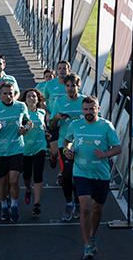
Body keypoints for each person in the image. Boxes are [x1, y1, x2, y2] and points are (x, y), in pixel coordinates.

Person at [63, 96, 121, 259]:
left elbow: (118, 148)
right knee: (85, 207)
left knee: (97, 209)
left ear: (98, 108)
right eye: (86, 109)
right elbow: (67, 141)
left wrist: (105, 154)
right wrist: (66, 151)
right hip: (81, 172)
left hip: (101, 174)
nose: (88, 112)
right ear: (82, 110)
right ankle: (87, 244)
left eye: (92, 109)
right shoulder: (75, 125)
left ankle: (92, 236)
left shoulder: (106, 126)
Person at [0, 82, 31, 222]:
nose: (8, 96)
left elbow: (28, 122)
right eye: (5, 93)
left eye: (10, 93)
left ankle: (14, 206)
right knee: (2, 183)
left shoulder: (21, 106)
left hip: (16, 148)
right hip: (0, 151)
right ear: (0, 95)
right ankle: (4, 206)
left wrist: (25, 129)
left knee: (14, 180)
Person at [49, 73, 87, 222]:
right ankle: (69, 203)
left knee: (78, 176)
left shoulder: (85, 101)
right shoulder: (59, 102)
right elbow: (51, 125)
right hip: (65, 144)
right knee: (66, 175)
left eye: (74, 85)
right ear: (64, 87)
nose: (71, 88)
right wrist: (57, 118)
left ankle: (77, 202)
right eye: (68, 85)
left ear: (79, 86)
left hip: (83, 145)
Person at [19, 88, 49, 217]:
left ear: (38, 99)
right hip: (25, 149)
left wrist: (46, 133)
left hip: (39, 147)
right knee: (26, 175)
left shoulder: (41, 112)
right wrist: (26, 128)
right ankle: (28, 188)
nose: (32, 98)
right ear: (25, 100)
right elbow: (19, 132)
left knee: (38, 175)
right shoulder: (21, 113)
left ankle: (37, 204)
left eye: (34, 96)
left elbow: (44, 128)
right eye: (29, 96)